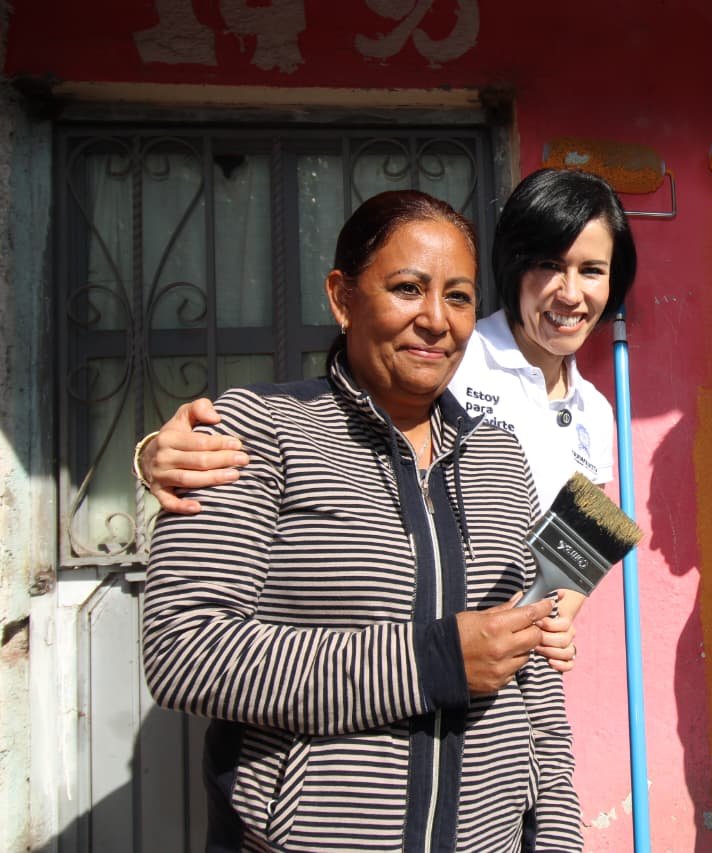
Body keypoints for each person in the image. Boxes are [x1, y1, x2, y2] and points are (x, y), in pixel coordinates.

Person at [143, 190, 583, 851]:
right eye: (407, 288)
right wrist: (434, 663)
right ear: (341, 297)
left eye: (460, 297)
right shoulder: (257, 432)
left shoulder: (499, 456)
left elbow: (535, 673)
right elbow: (185, 650)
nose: (436, 319)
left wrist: (557, 838)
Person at [135, 167, 637, 674]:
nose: (571, 293)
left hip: (501, 675)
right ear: (515, 265)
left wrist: (551, 621)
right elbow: (317, 421)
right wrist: (158, 451)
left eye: (592, 270)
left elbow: (580, 543)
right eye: (550, 265)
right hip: (380, 661)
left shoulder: (596, 411)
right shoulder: (444, 350)